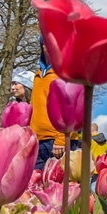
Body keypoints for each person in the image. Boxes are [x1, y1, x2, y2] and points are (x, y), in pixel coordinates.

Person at [31, 39, 67, 170]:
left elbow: (70, 107)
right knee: (37, 185)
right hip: (37, 139)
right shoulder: (38, 74)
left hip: (56, 141)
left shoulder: (65, 73)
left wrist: (62, 139)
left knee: (59, 186)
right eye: (45, 42)